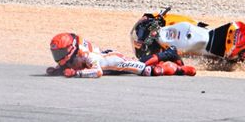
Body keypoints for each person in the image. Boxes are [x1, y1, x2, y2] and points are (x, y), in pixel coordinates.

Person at [47, 33, 196, 78]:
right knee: (144, 63)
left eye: (60, 52)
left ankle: (177, 66)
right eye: (56, 53)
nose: (58, 56)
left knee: (151, 71)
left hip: (113, 62)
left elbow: (97, 72)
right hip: (107, 57)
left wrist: (76, 73)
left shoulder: (87, 56)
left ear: (71, 48)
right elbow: (68, 64)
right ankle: (167, 54)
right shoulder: (73, 55)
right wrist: (57, 70)